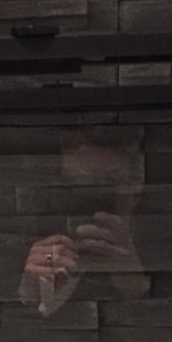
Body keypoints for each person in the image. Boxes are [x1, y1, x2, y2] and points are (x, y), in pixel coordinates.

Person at [17, 127, 150, 315]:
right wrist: (31, 295)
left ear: (136, 190)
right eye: (77, 186)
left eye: (107, 185)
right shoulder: (29, 234)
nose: (91, 199)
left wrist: (135, 284)